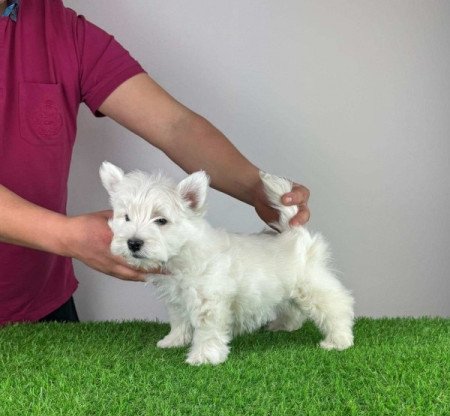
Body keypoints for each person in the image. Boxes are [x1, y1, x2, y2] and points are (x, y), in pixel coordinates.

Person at [0, 0, 310, 324]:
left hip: (42, 302)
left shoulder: (60, 28)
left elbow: (175, 126)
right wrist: (65, 235)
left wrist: (253, 186)